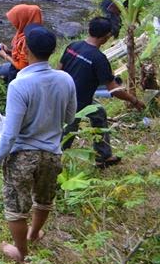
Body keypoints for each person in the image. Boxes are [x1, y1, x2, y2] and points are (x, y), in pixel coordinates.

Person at [0, 25, 76, 263]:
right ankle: (35, 232)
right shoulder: (65, 79)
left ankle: (21, 252)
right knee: (44, 198)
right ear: (53, 50)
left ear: (25, 49)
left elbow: (10, 132)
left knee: (16, 206)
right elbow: (70, 118)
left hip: (23, 155)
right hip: (52, 152)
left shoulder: (19, 84)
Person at [60, 17, 145, 168]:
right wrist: (134, 100)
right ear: (106, 37)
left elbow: (58, 70)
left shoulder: (73, 46)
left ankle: (103, 156)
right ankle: (54, 165)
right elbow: (114, 90)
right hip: (76, 103)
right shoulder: (99, 59)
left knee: (99, 112)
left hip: (62, 94)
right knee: (66, 136)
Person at [0, 4, 43, 85]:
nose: (14, 24)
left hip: (20, 77)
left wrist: (4, 55)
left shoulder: (27, 40)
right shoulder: (38, 35)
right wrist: (8, 51)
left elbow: (22, 66)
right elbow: (24, 57)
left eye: (17, 20)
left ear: (24, 19)